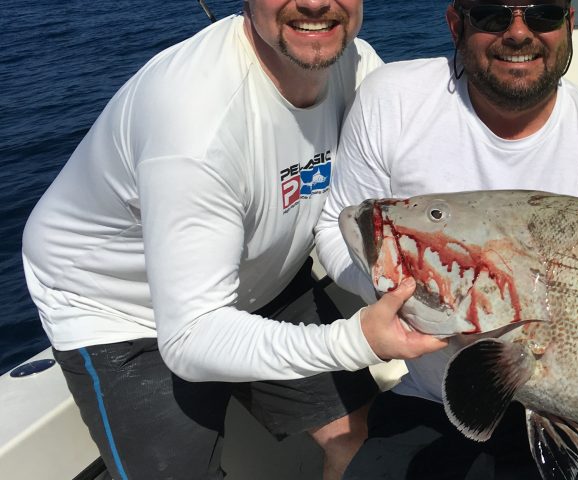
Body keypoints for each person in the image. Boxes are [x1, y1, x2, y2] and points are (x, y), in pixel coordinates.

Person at [21, 1, 448, 478]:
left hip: (265, 274)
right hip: (124, 310)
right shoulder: (196, 125)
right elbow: (190, 335)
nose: (314, 3)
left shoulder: (355, 64)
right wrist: (356, 339)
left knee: (360, 440)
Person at [313, 1, 578, 478]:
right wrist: (403, 303)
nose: (518, 32)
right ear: (456, 24)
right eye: (492, 14)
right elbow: (336, 225)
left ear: (569, 24)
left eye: (544, 14)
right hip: (433, 402)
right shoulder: (394, 99)